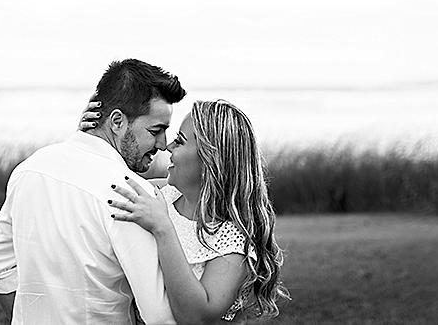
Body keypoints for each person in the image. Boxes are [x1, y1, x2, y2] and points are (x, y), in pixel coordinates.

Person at [0, 58, 187, 324]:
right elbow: (160, 316)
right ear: (117, 121)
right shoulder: (130, 195)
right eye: (156, 130)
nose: (163, 144)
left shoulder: (28, 169)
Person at [82, 98, 289, 323]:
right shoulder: (160, 195)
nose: (167, 147)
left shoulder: (233, 239)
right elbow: (99, 185)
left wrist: (163, 228)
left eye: (179, 141)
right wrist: (90, 138)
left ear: (210, 160)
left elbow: (195, 318)